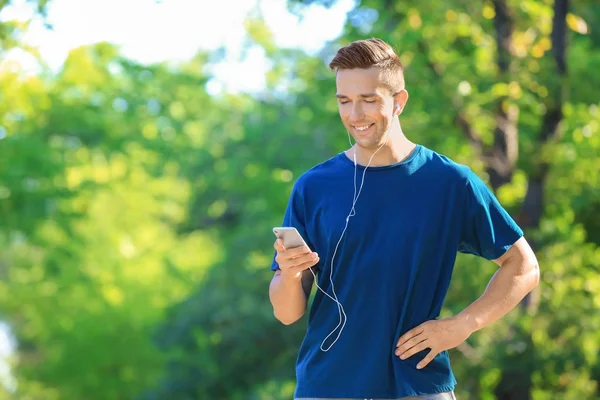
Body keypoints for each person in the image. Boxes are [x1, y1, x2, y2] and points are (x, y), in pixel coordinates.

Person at [268, 38, 540, 400]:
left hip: (418, 386)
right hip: (327, 386)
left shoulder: (449, 182)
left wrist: (463, 325)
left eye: (368, 100)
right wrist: (289, 274)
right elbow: (287, 313)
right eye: (344, 102)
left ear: (399, 102)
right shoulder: (313, 187)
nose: (354, 115)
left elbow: (523, 266)